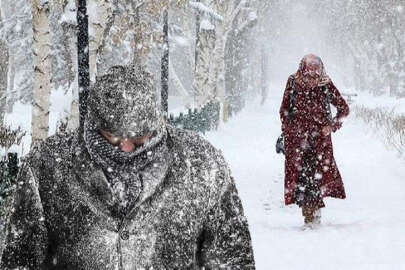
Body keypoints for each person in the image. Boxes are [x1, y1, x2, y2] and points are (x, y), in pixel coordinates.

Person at [1, 64, 255, 269]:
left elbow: (232, 258)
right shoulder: (47, 167)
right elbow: (20, 260)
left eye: (138, 138)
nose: (125, 148)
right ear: (93, 126)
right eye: (112, 137)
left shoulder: (202, 165)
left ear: (156, 124)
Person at [279, 54, 350, 227]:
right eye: (310, 74)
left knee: (316, 177)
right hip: (297, 142)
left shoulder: (325, 84)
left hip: (320, 143)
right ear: (303, 69)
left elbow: (344, 109)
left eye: (316, 74)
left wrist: (331, 126)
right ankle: (309, 213)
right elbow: (284, 110)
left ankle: (312, 214)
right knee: (301, 177)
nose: (313, 78)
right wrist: (290, 129)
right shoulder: (293, 82)